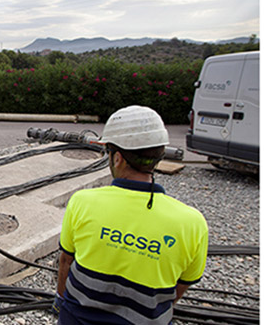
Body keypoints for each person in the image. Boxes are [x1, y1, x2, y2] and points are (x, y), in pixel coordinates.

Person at [55, 105, 208, 324]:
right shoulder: (192, 223)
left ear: (117, 158)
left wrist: (61, 301)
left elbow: (66, 261)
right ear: (158, 157)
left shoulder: (83, 201)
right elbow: (181, 286)